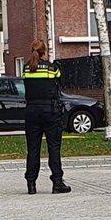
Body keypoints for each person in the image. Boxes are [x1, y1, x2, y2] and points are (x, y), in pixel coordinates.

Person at [23, 40, 71, 195]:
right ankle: (57, 182)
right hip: (50, 111)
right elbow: (59, 84)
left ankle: (31, 184)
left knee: (33, 149)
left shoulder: (26, 69)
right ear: (44, 52)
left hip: (31, 111)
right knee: (54, 148)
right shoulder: (53, 68)